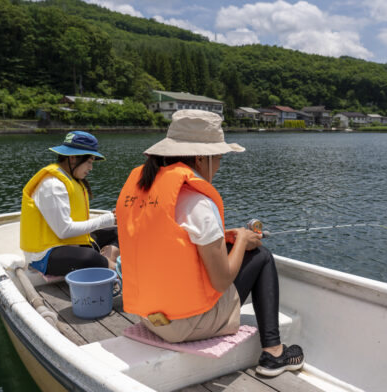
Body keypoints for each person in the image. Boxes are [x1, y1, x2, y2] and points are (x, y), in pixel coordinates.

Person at [115, 110, 304, 377]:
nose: (219, 165)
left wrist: (228, 238)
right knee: (261, 257)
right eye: (219, 158)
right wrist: (243, 243)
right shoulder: (198, 201)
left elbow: (170, 241)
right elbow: (221, 280)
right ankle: (274, 352)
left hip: (150, 316)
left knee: (236, 250)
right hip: (184, 326)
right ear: (202, 158)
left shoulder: (144, 189)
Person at [20, 131, 118, 276]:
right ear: (73, 158)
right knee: (89, 258)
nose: (91, 167)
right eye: (89, 161)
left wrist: (112, 220)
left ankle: (108, 260)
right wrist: (106, 219)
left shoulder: (70, 178)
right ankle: (113, 269)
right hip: (44, 255)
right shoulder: (52, 185)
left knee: (118, 231)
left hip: (68, 243)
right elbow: (64, 231)